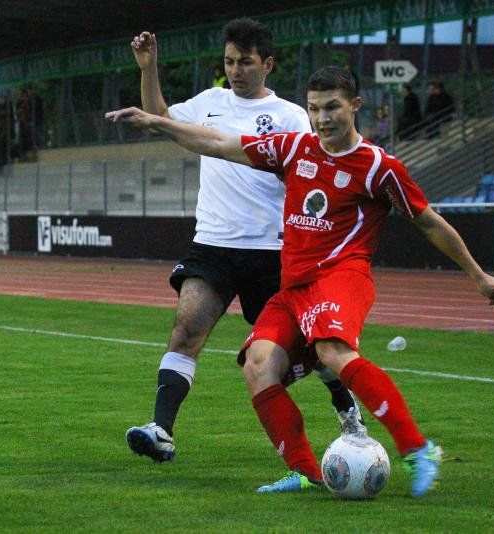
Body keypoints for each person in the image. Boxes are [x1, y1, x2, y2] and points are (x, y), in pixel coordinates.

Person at [107, 65, 494, 497]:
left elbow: (428, 222)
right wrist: (159, 123)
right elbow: (220, 143)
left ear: (355, 105)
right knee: (259, 365)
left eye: (332, 107)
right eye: (314, 109)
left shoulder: (378, 166)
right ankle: (304, 472)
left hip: (341, 276)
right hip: (294, 285)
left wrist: (478, 275)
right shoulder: (295, 148)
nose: (322, 118)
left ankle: (417, 448)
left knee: (331, 350)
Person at [124, 19, 365, 484]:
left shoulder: (291, 115)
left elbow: (313, 170)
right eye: (229, 61)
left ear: (267, 64)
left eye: (245, 62)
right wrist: (148, 68)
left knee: (310, 349)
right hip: (212, 244)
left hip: (272, 251)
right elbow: (160, 117)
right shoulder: (209, 102)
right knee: (186, 331)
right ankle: (161, 430)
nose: (235, 70)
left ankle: (346, 409)